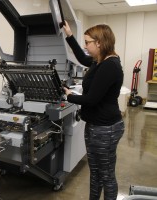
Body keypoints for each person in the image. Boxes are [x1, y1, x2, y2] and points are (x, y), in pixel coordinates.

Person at [62, 21, 125, 200]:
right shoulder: (100, 61)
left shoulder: (110, 66)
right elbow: (82, 58)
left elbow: (91, 100)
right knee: (96, 172)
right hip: (96, 125)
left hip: (106, 129)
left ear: (99, 43)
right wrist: (69, 35)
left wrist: (69, 95)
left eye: (87, 42)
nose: (85, 45)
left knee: (106, 176)